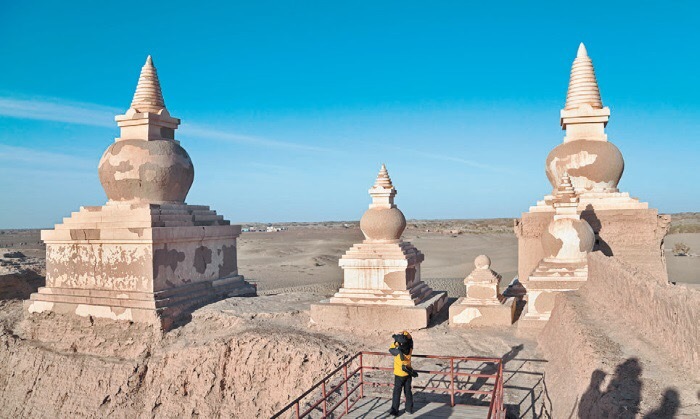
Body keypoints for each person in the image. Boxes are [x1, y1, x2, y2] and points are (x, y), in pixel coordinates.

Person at [388, 331, 418, 416]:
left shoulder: (397, 351)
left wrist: (396, 341)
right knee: (408, 391)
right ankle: (409, 409)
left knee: (397, 392)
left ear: (400, 344)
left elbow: (390, 349)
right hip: (408, 373)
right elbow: (410, 339)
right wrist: (405, 333)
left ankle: (394, 411)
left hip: (399, 375)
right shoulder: (410, 349)